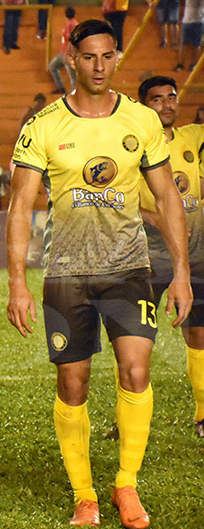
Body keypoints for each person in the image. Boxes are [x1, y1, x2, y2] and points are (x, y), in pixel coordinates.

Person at [7, 20, 189, 529]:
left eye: (108, 56)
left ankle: (125, 485)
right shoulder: (43, 125)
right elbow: (21, 205)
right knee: (74, 382)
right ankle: (84, 494)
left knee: (136, 371)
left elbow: (167, 196)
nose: (100, 67)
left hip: (128, 269)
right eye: (90, 57)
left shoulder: (140, 121)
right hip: (66, 274)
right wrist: (17, 280)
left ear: (116, 57)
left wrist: (180, 272)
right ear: (72, 57)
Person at [136, 76, 204, 438]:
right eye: (157, 99)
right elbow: (125, 199)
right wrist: (162, 222)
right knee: (137, 338)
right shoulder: (133, 147)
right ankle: (127, 416)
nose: (166, 104)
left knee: (200, 333)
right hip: (149, 254)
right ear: (144, 105)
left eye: (171, 97)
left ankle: (203, 415)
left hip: (197, 254)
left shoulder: (193, 138)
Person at [48, 6, 79, 94]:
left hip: (69, 54)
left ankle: (75, 94)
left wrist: (67, 53)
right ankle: (61, 87)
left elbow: (72, 40)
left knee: (72, 76)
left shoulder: (72, 24)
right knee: (52, 66)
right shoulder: (70, 23)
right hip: (63, 53)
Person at [175, 0, 204, 71]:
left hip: (199, 22)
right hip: (187, 21)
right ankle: (181, 64)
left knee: (196, 45)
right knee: (183, 44)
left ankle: (194, 65)